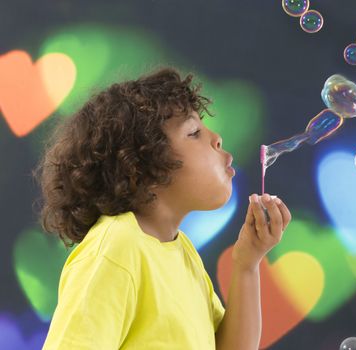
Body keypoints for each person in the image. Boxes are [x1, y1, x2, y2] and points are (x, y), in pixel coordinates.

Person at [33, 67, 292, 349]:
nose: (216, 137)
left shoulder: (181, 252)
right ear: (141, 168)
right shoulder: (116, 249)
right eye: (194, 132)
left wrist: (247, 264)